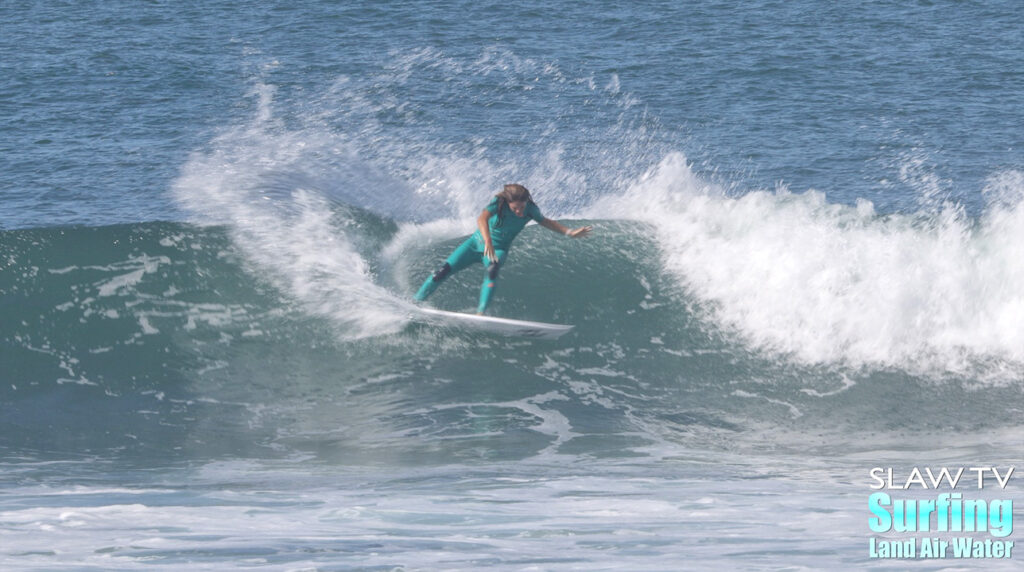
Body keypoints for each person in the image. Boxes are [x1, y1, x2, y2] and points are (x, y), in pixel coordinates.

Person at [414, 183, 592, 315]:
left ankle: (480, 313)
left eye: (522, 207)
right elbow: (481, 219)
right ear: (507, 203)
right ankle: (416, 303)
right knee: (442, 272)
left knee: (492, 271)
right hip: (475, 244)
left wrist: (569, 232)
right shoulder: (497, 203)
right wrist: (488, 241)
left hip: (498, 249)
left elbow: (545, 221)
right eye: (515, 208)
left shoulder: (530, 209)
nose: (519, 212)